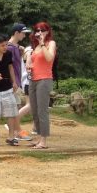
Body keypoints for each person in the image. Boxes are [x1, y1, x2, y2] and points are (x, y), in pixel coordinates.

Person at [0, 23, 33, 139]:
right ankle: (17, 131)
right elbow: (8, 67)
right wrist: (11, 81)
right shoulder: (8, 47)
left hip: (14, 82)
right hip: (8, 84)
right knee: (13, 108)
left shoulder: (14, 47)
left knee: (9, 107)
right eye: (23, 33)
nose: (24, 35)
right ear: (16, 33)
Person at [27, 21, 57, 149]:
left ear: (48, 31)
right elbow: (33, 62)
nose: (39, 33)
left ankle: (43, 141)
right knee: (34, 110)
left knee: (42, 111)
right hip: (33, 79)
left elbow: (49, 58)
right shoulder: (35, 47)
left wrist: (42, 43)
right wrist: (29, 65)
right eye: (37, 31)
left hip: (44, 80)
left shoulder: (50, 43)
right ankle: (39, 137)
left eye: (42, 30)